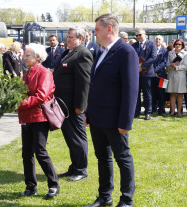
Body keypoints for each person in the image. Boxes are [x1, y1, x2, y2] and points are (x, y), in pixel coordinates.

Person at [85, 13, 139, 207]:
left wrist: (125, 122)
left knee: (122, 157)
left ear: (109, 29)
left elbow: (131, 89)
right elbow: (95, 85)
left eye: (97, 30)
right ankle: (104, 195)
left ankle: (126, 199)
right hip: (98, 118)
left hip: (115, 120)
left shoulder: (126, 51)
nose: (94, 34)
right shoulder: (101, 51)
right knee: (103, 158)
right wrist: (88, 114)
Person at [18, 43, 60, 198]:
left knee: (40, 151)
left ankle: (53, 184)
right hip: (26, 117)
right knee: (26, 153)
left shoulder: (44, 72)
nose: (24, 58)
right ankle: (30, 186)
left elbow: (42, 95)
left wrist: (20, 103)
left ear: (37, 57)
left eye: (27, 55)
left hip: (39, 117)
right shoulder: (27, 73)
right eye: (24, 55)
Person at [53, 26, 93, 181]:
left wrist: (80, 106)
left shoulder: (83, 54)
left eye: (71, 37)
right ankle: (74, 166)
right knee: (70, 137)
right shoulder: (68, 52)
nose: (67, 39)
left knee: (77, 137)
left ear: (80, 38)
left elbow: (84, 83)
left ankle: (81, 170)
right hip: (63, 105)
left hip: (74, 106)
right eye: (67, 37)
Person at [132, 28, 157, 120]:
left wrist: (143, 66)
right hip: (136, 73)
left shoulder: (152, 44)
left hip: (147, 73)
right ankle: (136, 112)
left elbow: (153, 57)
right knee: (136, 94)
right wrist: (136, 67)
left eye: (140, 35)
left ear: (145, 34)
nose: (138, 37)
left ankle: (148, 112)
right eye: (137, 35)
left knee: (147, 94)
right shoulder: (133, 45)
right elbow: (131, 57)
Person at [166, 39, 187, 117]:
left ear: (182, 45)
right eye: (176, 44)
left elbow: (185, 66)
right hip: (171, 74)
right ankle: (172, 111)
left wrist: (176, 66)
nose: (177, 45)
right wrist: (171, 66)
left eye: (179, 44)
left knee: (180, 94)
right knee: (172, 93)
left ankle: (179, 112)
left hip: (180, 75)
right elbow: (167, 64)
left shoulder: (186, 54)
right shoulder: (170, 53)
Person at [152, 35, 168, 116]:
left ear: (162, 41)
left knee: (161, 93)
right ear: (155, 40)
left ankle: (161, 110)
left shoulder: (165, 51)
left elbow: (164, 62)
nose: (158, 40)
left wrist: (155, 70)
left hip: (161, 75)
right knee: (153, 92)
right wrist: (152, 71)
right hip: (151, 75)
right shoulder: (152, 50)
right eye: (157, 39)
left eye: (159, 39)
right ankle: (153, 109)